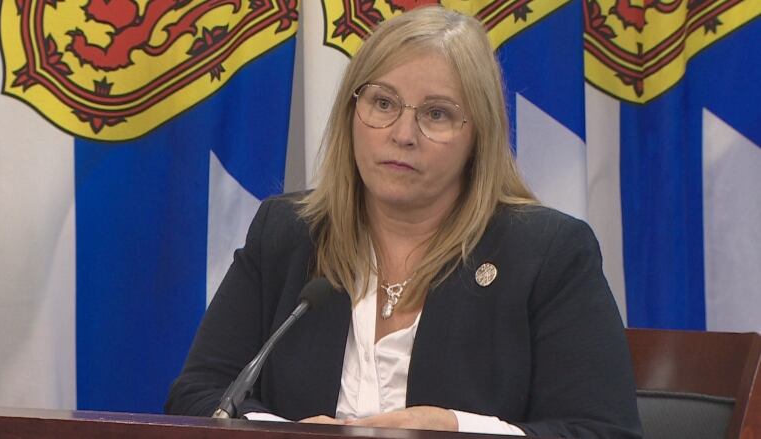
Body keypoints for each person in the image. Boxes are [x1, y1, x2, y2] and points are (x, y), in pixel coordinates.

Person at [165, 6, 642, 438]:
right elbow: (199, 395)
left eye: (436, 114)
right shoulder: (289, 233)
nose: (401, 135)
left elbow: (602, 431)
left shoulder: (548, 254)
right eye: (383, 103)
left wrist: (454, 428)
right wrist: (286, 434)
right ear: (352, 111)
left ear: (480, 135)